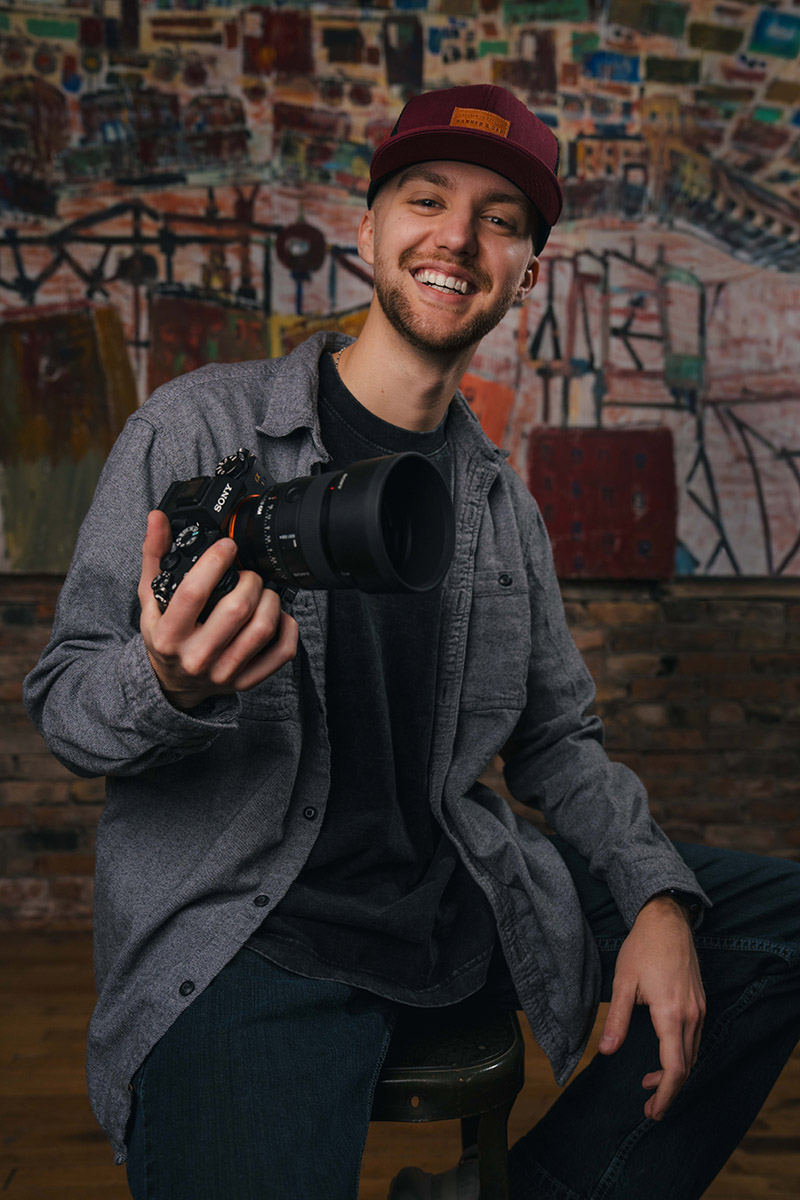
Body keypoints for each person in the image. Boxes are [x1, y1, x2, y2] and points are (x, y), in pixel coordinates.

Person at [23, 84, 800, 1200]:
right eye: (425, 200)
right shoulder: (198, 428)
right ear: (369, 229)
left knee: (772, 927)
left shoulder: (500, 506)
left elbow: (558, 744)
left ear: (528, 266)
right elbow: (64, 702)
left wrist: (657, 901)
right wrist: (165, 681)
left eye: (499, 219)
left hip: (454, 900)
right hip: (248, 936)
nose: (456, 238)